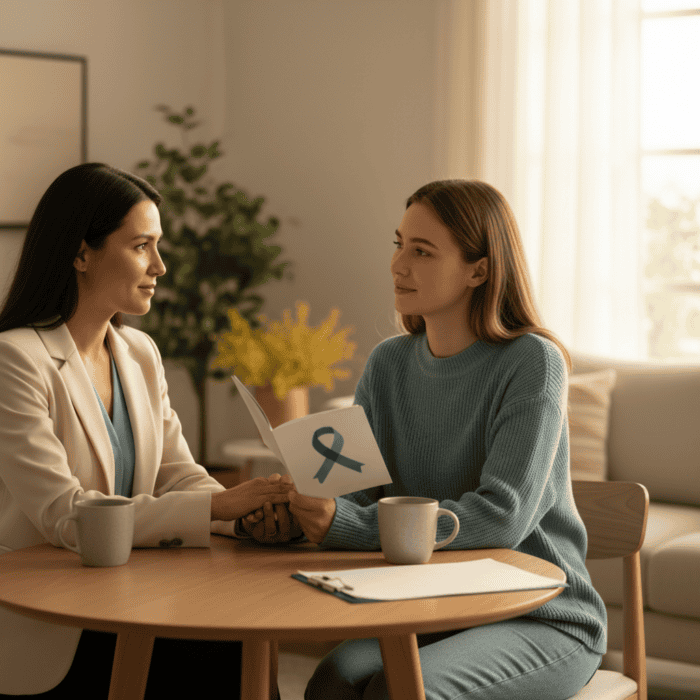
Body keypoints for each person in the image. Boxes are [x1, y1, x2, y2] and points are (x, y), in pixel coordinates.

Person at [254, 180, 607, 699]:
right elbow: (351, 495)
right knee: (332, 682)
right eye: (399, 245)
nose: (399, 266)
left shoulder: (533, 362)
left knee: (401, 691)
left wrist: (345, 522)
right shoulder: (388, 364)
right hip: (431, 605)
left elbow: (504, 516)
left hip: (540, 613)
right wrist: (299, 515)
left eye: (422, 252)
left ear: (479, 270)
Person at [0, 163, 294, 698]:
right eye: (141, 246)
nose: (160, 266)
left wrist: (246, 515)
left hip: (132, 598)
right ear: (81, 253)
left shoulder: (139, 351)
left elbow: (179, 476)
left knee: (245, 642)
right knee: (224, 656)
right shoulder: (15, 360)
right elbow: (66, 515)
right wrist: (218, 508)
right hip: (55, 624)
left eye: (158, 247)